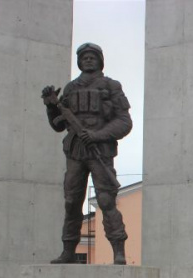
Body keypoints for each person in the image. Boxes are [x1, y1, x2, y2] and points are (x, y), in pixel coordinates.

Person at [42, 43, 132, 265]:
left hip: (100, 149)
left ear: (100, 61)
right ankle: (68, 251)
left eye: (93, 57)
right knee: (72, 201)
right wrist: (51, 106)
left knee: (106, 200)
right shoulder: (71, 88)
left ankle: (118, 250)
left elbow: (124, 122)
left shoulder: (111, 86)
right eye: (84, 57)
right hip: (75, 151)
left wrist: (98, 135)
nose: (88, 60)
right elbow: (58, 126)